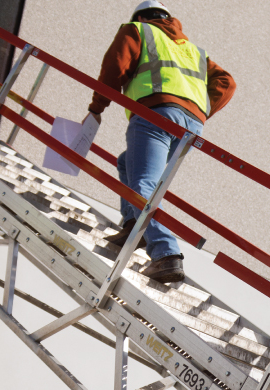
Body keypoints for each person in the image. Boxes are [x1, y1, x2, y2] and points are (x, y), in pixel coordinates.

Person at [88, 0, 234, 284]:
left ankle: (166, 253)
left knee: (143, 183)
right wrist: (200, 111)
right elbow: (227, 82)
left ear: (142, 16)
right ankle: (133, 224)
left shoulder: (138, 29)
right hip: (190, 126)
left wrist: (96, 108)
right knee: (126, 163)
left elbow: (114, 67)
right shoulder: (192, 50)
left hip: (154, 114)